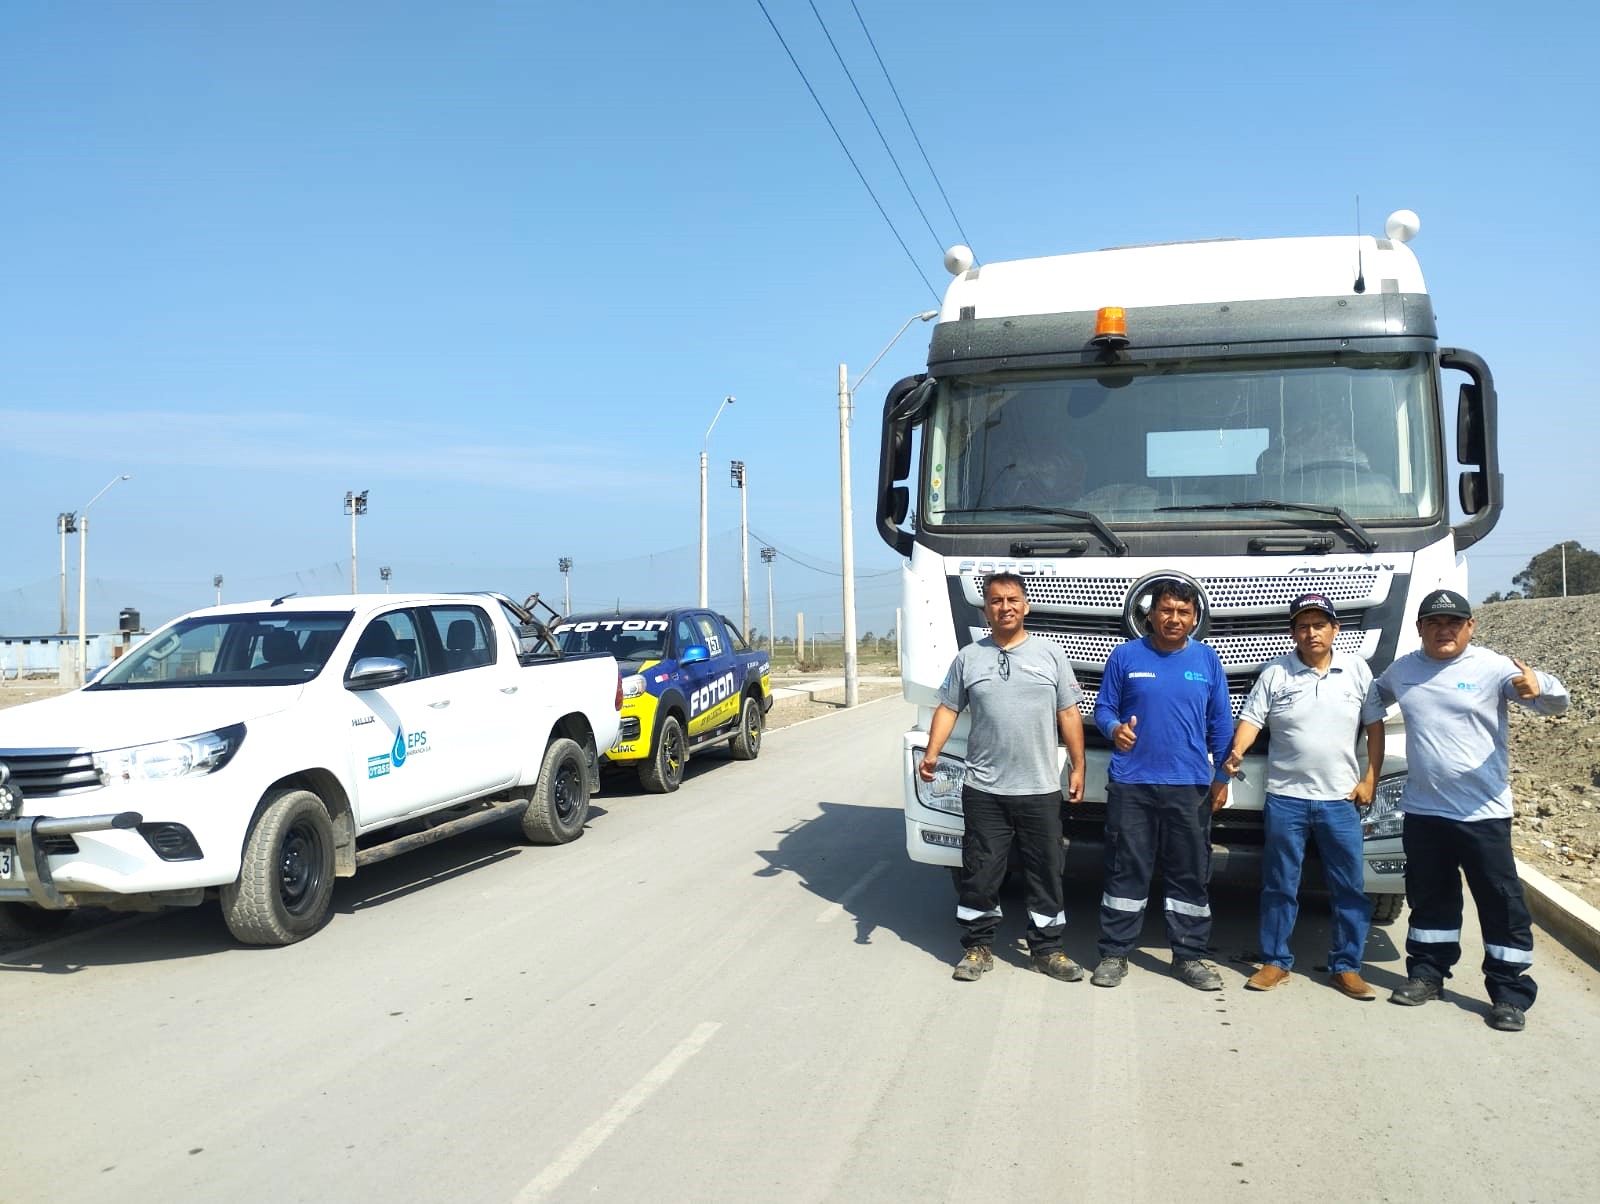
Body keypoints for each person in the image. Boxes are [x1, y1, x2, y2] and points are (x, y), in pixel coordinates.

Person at [1376, 589, 1568, 1032]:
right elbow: (1370, 701)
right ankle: (1426, 974)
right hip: (1424, 812)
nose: (1445, 630)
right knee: (1429, 897)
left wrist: (1543, 687)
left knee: (1500, 903)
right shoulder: (1404, 669)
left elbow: (1555, 703)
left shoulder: (1493, 668)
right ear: (1420, 628)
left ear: (1470, 627)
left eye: (1454, 623)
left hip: (1483, 813)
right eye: (1435, 623)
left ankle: (1508, 993)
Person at [920, 572, 1087, 983]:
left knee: (1045, 871)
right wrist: (931, 753)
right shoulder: (968, 658)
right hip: (984, 789)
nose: (1005, 607)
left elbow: (1069, 713)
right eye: (996, 601)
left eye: (1012, 599)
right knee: (980, 871)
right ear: (986, 609)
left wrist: (1080, 766)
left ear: (1025, 606)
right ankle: (978, 947)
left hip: (1040, 787)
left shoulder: (1051, 655)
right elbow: (947, 708)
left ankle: (1047, 949)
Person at [1223, 593, 1385, 1000]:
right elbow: (1251, 720)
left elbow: (1375, 727)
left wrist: (1371, 778)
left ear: (1335, 630)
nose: (1311, 632)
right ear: (1293, 633)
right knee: (1280, 884)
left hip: (1340, 800)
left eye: (1319, 625)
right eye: (1302, 626)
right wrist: (1237, 751)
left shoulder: (1357, 671)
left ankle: (1346, 966)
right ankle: (1276, 961)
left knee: (1348, 886)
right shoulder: (1276, 673)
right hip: (1286, 798)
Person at [1090, 578, 1233, 990]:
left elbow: (1220, 725)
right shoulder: (1125, 656)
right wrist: (1115, 729)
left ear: (1194, 618)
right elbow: (1103, 708)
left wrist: (1221, 777)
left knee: (1189, 872)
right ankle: (1114, 954)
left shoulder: (1208, 661)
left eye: (1183, 612)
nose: (1174, 619)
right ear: (1150, 614)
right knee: (1126, 869)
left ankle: (1189, 957)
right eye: (1166, 610)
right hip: (1132, 783)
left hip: (1189, 785)